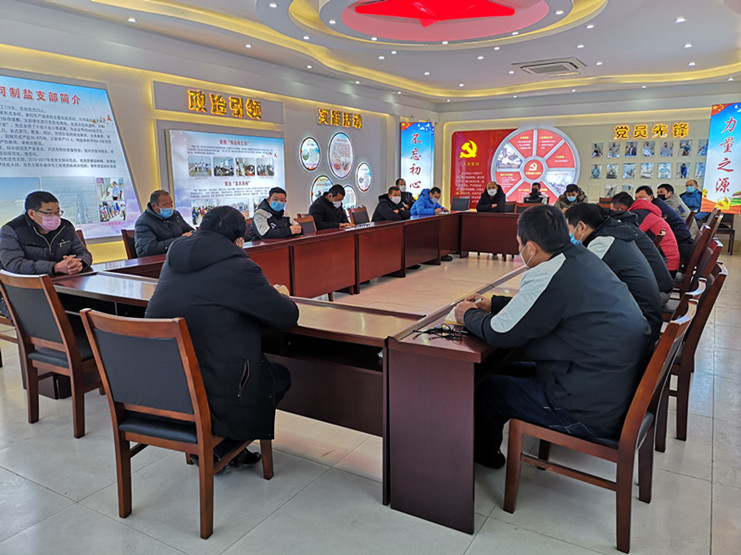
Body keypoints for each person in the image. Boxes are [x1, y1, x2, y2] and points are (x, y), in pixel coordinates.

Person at [453, 205, 652, 469]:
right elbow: (546, 305)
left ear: (531, 248)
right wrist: (496, 304)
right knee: (504, 366)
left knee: (489, 390)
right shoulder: (581, 258)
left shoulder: (549, 272)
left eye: (519, 244)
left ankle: (485, 457)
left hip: (588, 410)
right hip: (608, 387)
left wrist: (466, 315)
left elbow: (500, 332)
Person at [145, 206, 298, 469]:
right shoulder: (239, 266)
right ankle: (222, 447)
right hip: (212, 390)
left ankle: (212, 444)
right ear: (239, 241)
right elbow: (286, 316)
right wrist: (280, 294)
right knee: (279, 377)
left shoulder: (173, 257)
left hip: (166, 384)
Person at [564, 203, 663, 341]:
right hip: (640, 320)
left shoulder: (603, 243)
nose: (567, 236)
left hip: (639, 330)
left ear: (581, 226)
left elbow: (577, 281)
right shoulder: (613, 233)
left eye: (568, 230)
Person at [0, 190, 92, 277]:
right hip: (28, 283)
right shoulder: (12, 230)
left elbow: (83, 253)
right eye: (48, 213)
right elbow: (14, 264)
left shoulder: (65, 227)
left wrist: (78, 264)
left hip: (65, 279)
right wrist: (54, 267)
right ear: (31, 213)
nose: (55, 217)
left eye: (57, 212)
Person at [610, 192, 681, 274]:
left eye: (613, 212)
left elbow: (629, 237)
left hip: (666, 267)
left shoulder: (638, 216)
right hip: (668, 263)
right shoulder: (644, 211)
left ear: (621, 209)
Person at [635, 185, 694, 263]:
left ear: (651, 197)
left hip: (681, 246)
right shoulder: (659, 204)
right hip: (682, 241)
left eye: (641, 198)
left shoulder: (656, 208)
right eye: (636, 198)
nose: (638, 201)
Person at [134, 190, 194, 257]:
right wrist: (180, 239)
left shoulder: (175, 215)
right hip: (154, 260)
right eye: (166, 204)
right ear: (154, 206)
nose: (170, 206)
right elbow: (151, 248)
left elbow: (190, 231)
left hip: (177, 254)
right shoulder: (143, 223)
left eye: (171, 203)